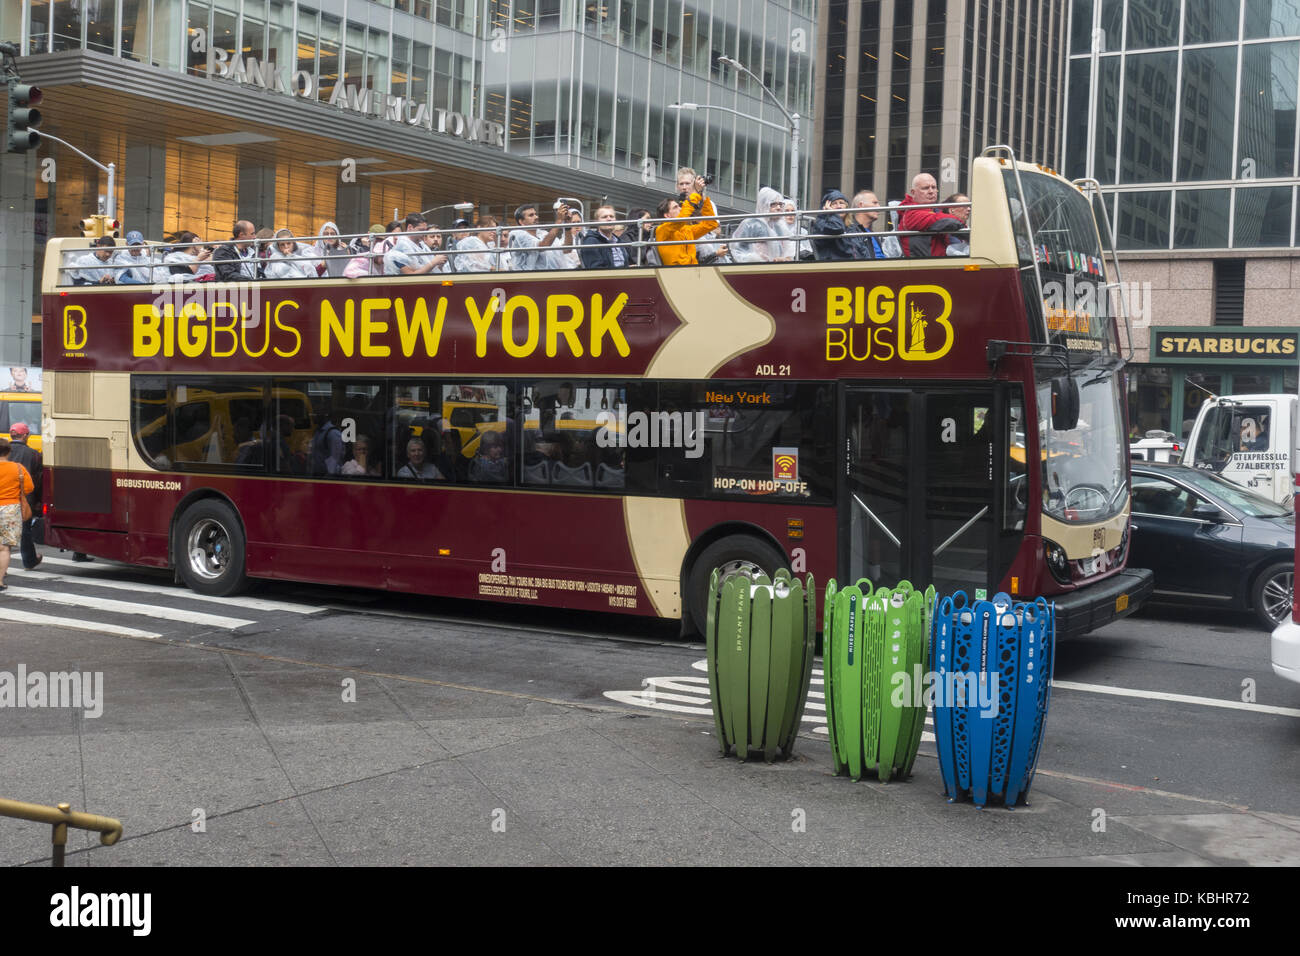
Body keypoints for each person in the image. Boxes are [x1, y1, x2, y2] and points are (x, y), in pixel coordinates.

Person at [655, 176, 719, 266]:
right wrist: (695, 193)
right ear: (667, 215)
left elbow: (711, 224)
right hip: (677, 272)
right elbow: (681, 220)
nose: (680, 208)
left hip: (693, 271)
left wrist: (702, 197)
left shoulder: (686, 229)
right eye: (675, 207)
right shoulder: (661, 230)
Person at [0, 436, 35, 590]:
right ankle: (0, 581)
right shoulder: (18, 468)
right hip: (10, 509)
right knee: (4, 548)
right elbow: (29, 488)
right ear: (9, 451)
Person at [898, 173, 960, 257]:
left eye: (934, 187)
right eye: (925, 188)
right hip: (923, 266)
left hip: (936, 264)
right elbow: (945, 221)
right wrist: (963, 224)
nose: (931, 191)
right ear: (913, 192)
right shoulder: (911, 213)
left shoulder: (935, 210)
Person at [6, 423, 41, 570]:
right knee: (25, 531)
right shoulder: (33, 454)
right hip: (24, 498)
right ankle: (29, 561)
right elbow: (38, 480)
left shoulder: (4, 452)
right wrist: (39, 500)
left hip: (3, 498)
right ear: (25, 435)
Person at [676, 167, 727, 263]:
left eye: (687, 183)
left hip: (708, 244)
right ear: (677, 187)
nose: (684, 187)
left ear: (694, 184)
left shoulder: (707, 203)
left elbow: (717, 230)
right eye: (681, 184)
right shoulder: (676, 205)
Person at [730, 186, 789, 264]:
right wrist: (754, 258)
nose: (778, 208)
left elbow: (785, 251)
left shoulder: (778, 228)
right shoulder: (752, 224)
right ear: (764, 204)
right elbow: (736, 249)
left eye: (780, 204)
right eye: (774, 204)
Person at [508, 203, 569, 271]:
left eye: (535, 214)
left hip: (551, 277)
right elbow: (543, 246)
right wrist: (559, 220)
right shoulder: (518, 234)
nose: (536, 217)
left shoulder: (542, 233)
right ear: (521, 222)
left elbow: (567, 249)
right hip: (527, 278)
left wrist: (567, 224)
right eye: (531, 215)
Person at [810, 189, 862, 261]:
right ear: (826, 207)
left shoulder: (852, 227)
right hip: (836, 268)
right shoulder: (821, 224)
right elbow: (837, 228)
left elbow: (863, 250)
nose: (839, 206)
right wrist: (832, 213)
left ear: (846, 206)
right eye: (834, 203)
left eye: (841, 203)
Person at [308, 403, 345, 476]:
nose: (312, 416)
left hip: (327, 478)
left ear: (325, 415)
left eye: (316, 413)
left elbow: (335, 459)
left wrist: (328, 478)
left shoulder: (333, 433)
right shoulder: (318, 431)